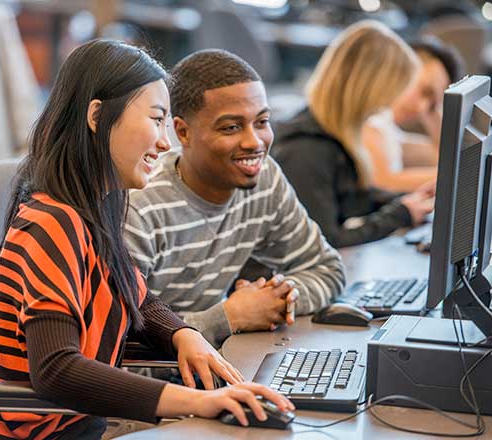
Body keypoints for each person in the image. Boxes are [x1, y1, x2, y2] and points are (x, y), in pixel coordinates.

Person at [0, 40, 294, 440]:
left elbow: (136, 298)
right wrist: (197, 402)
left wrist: (182, 334)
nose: (165, 142)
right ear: (97, 116)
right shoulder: (50, 222)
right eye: (156, 120)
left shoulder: (95, 207)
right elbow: (57, 370)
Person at [124, 49, 345, 349]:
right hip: (156, 384)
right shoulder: (141, 207)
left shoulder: (264, 179)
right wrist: (229, 316)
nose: (254, 142)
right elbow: (120, 333)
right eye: (231, 127)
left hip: (218, 363)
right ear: (183, 132)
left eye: (262, 122)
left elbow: (327, 268)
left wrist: (280, 299)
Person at [272, 21, 435, 249]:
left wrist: (402, 202)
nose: (385, 106)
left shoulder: (334, 132)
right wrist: (400, 215)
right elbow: (325, 240)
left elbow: (351, 199)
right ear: (370, 91)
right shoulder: (307, 149)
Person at [362, 37, 465, 192]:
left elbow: (441, 157)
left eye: (431, 104)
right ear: (402, 68)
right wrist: (465, 177)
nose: (421, 108)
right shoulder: (369, 120)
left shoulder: (387, 126)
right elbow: (382, 181)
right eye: (424, 91)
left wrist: (434, 109)